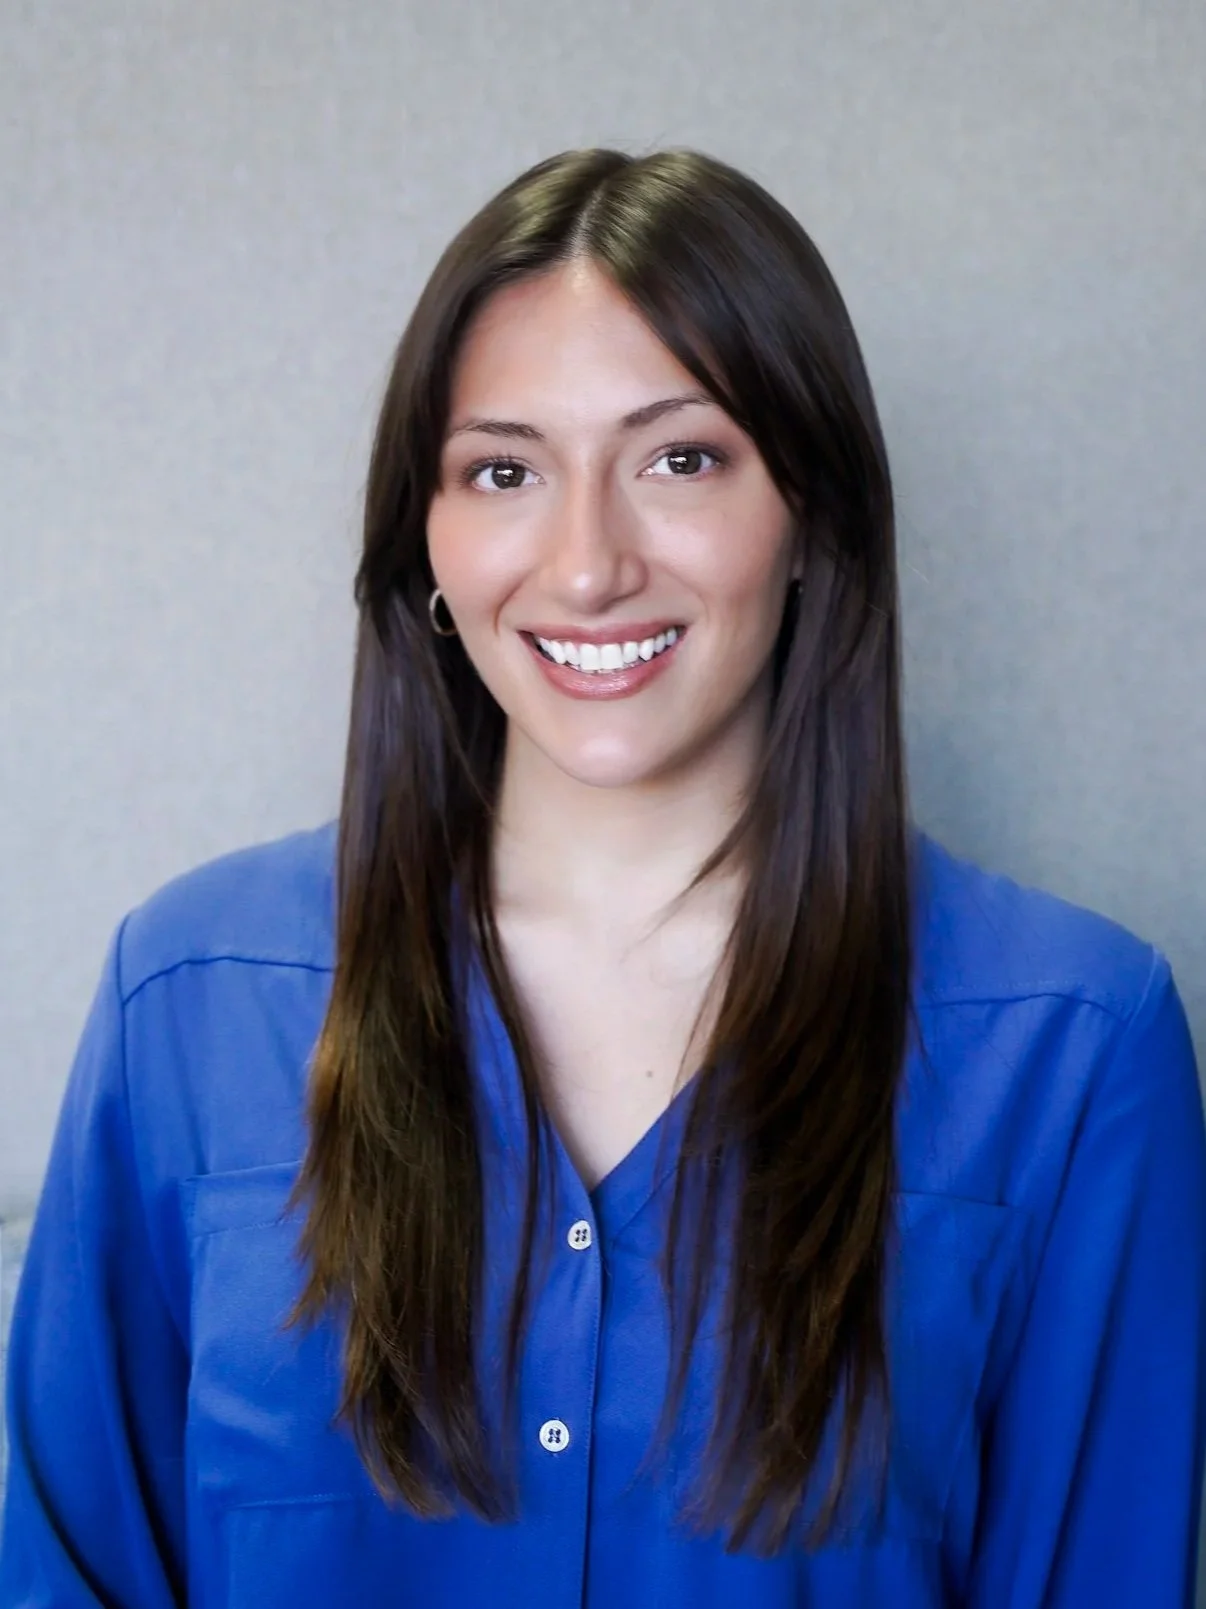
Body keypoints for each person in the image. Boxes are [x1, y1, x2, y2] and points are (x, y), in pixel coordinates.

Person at [2, 147, 1203, 1609]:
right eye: (502, 470)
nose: (584, 567)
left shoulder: (1071, 1046)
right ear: (427, 543)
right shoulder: (191, 999)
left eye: (679, 459)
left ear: (811, 511)